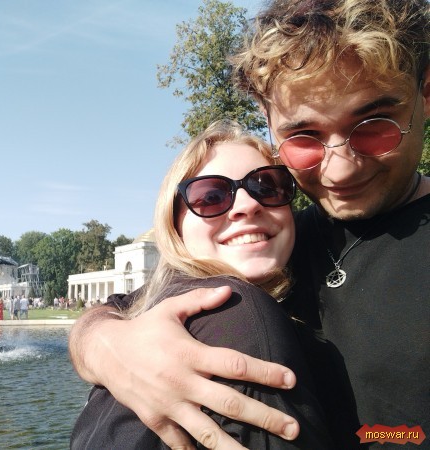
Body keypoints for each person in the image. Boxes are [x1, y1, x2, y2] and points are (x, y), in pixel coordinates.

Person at [68, 0, 430, 448]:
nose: (339, 171)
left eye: (374, 126)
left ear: (425, 93)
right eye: (304, 137)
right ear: (269, 121)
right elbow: (115, 309)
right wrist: (109, 347)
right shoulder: (271, 245)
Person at [71, 120, 332, 449]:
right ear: (175, 224)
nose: (248, 205)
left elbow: (112, 307)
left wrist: (98, 341)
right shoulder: (239, 311)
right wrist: (101, 343)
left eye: (268, 187)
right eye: (211, 196)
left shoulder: (157, 301)